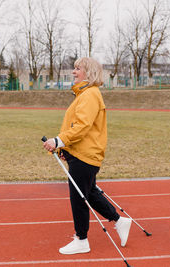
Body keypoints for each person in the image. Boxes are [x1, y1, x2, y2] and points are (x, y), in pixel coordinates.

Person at [43, 57, 132, 255]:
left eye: (78, 68)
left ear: (88, 73)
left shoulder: (90, 94)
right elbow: (78, 128)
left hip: (86, 156)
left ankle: (81, 239)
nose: (73, 72)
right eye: (74, 68)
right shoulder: (84, 94)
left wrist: (58, 141)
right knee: (89, 193)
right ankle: (119, 221)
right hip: (81, 154)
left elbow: (82, 127)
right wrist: (64, 148)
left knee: (79, 197)